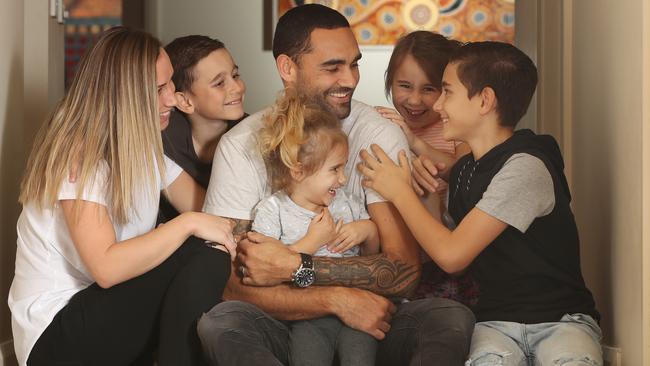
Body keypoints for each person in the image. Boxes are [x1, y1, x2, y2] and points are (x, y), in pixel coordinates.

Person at [197, 4, 475, 366]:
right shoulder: (241, 146)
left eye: (354, 64)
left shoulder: (377, 135)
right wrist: (335, 300)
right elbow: (232, 284)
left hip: (375, 320)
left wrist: (293, 267)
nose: (350, 79)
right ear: (288, 68)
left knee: (449, 318)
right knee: (221, 323)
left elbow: (403, 271)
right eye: (333, 67)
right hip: (286, 323)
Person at [358, 41, 602, 365]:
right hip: (495, 323)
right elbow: (440, 242)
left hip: (559, 321)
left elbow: (452, 256)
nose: (438, 104)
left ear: (485, 100)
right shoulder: (465, 169)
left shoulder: (526, 166)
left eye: (447, 92)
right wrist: (425, 188)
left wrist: (399, 192)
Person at [8, 27, 236, 366]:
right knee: (203, 250)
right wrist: (188, 224)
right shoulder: (80, 155)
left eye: (171, 82)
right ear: (124, 94)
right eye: (159, 89)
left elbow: (214, 213)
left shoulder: (140, 149)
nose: (171, 98)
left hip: (103, 313)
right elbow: (107, 268)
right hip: (55, 339)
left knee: (210, 250)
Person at [253, 91, 380, 365]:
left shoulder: (347, 203)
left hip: (357, 310)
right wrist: (312, 242)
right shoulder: (273, 211)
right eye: (335, 169)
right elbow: (265, 270)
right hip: (307, 316)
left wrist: (368, 231)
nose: (344, 179)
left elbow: (372, 258)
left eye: (344, 167)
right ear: (298, 171)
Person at [377, 30, 478, 306]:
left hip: (447, 241)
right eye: (405, 86)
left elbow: (463, 169)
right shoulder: (388, 126)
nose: (414, 100)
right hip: (403, 247)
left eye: (429, 89)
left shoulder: (454, 128)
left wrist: (416, 143)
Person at [157, 35, 247, 224]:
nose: (237, 87)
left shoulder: (253, 137)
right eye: (219, 83)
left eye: (235, 75)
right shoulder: (163, 132)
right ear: (185, 101)